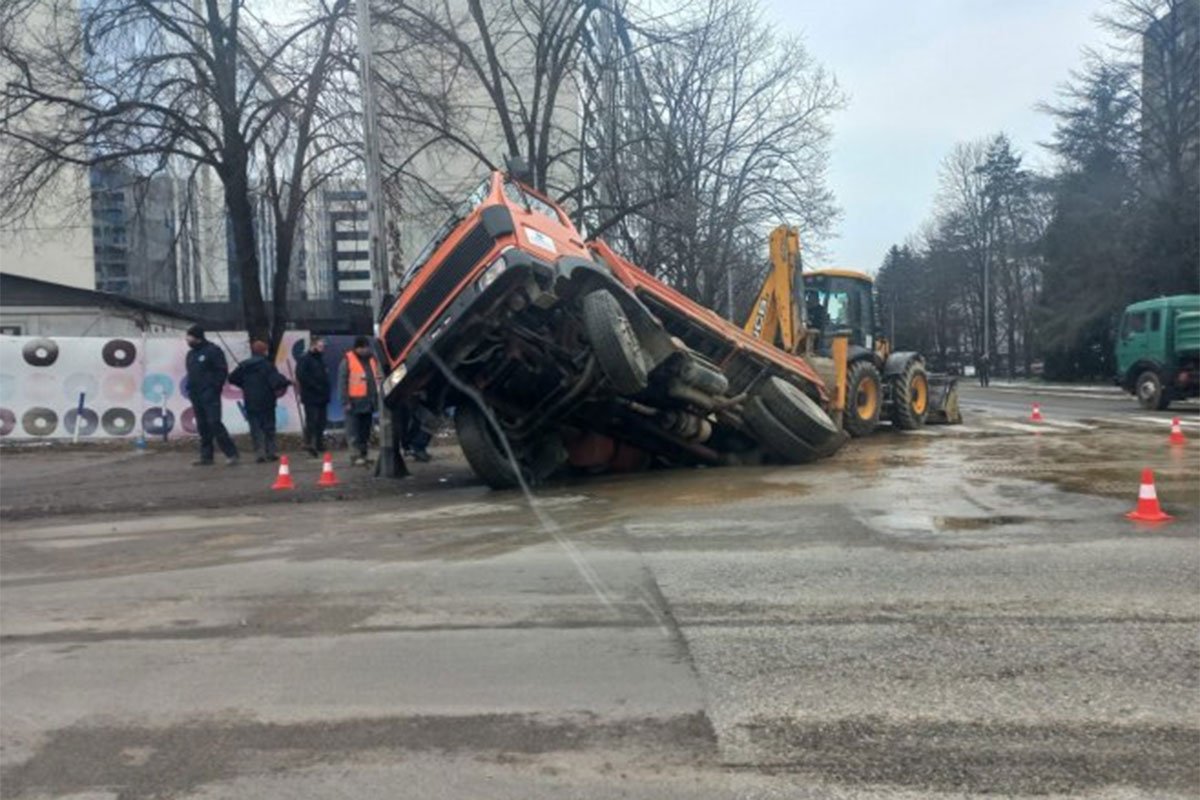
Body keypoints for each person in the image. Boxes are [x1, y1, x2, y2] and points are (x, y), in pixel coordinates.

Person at [184, 324, 239, 466]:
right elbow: (191, 374)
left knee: (214, 423)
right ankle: (206, 456)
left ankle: (231, 453)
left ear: (197, 337)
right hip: (196, 395)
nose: (187, 339)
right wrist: (190, 390)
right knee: (202, 426)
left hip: (210, 394)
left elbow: (221, 371)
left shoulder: (213, 351)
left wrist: (214, 388)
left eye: (189, 336)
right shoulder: (191, 354)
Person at [229, 340, 290, 463]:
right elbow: (276, 382)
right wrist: (287, 381)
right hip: (267, 400)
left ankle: (259, 453)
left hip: (251, 401)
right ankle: (271, 452)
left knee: (255, 428)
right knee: (268, 427)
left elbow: (232, 378)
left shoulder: (244, 366)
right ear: (264, 351)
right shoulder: (267, 365)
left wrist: (244, 385)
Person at [339, 336, 380, 466]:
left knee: (365, 431)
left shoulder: (372, 359)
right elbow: (342, 382)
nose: (366, 350)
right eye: (364, 348)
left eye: (367, 347)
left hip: (368, 401)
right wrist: (345, 401)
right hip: (353, 402)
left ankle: (363, 454)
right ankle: (355, 456)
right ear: (358, 348)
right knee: (353, 431)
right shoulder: (347, 360)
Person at [296, 336, 331, 457]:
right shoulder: (306, 359)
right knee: (312, 421)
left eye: (323, 346)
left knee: (321, 421)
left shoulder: (320, 359)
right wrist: (315, 386)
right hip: (311, 396)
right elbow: (301, 376)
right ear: (313, 345)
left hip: (322, 396)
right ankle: (308, 444)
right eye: (321, 346)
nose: (323, 348)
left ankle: (319, 444)